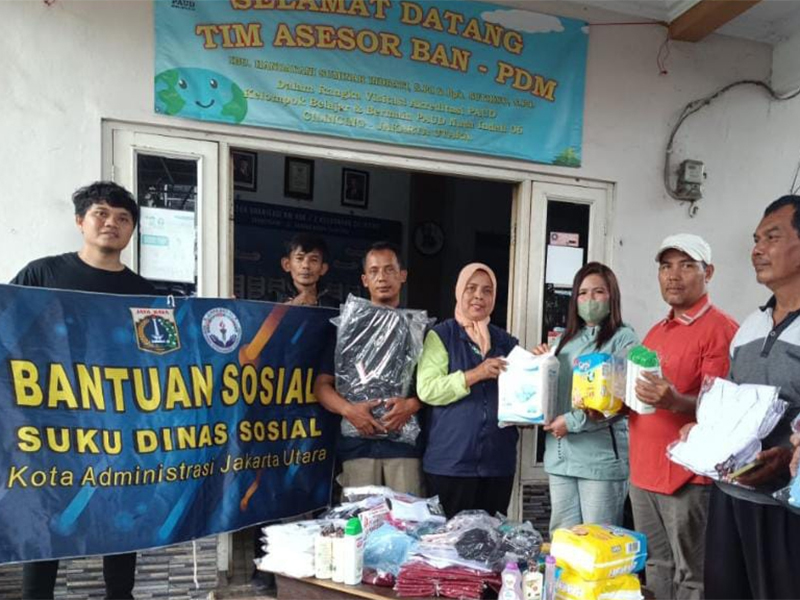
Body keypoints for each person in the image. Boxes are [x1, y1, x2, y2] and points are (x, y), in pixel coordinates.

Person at [10, 181, 155, 600]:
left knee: (119, 509)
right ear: (80, 221)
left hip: (117, 420)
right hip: (51, 418)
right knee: (45, 511)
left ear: (132, 232)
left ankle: (119, 595)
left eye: (123, 218)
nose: (112, 223)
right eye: (101, 214)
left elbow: (161, 359)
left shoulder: (143, 293)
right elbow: (10, 331)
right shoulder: (42, 274)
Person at [627, 233, 737, 600]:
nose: (673, 275)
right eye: (665, 266)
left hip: (687, 479)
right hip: (644, 473)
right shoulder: (657, 330)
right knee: (656, 567)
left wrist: (675, 400)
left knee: (693, 577)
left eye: (686, 265)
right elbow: (640, 395)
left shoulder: (720, 330)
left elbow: (724, 407)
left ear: (709, 273)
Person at [703, 196, 800, 598]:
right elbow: (730, 406)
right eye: (756, 239)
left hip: (786, 510)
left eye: (772, 237)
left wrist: (785, 452)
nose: (757, 250)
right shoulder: (749, 326)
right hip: (729, 496)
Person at [532, 262, 638, 532]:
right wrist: (539, 365)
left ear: (612, 296)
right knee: (564, 541)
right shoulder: (563, 342)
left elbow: (617, 403)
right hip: (560, 458)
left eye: (598, 292)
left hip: (600, 462)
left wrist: (572, 422)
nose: (589, 300)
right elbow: (552, 393)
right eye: (582, 293)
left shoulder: (624, 339)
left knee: (598, 542)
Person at [313, 242, 423, 495]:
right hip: (357, 446)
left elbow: (433, 386)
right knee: (359, 526)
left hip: (404, 448)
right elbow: (321, 386)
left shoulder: (418, 329)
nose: (381, 278)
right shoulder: (345, 329)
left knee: (408, 525)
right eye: (374, 271)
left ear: (402, 275)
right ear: (364, 279)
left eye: (389, 270)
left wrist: (411, 406)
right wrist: (350, 411)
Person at [416, 263, 517, 518]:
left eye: (487, 291)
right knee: (447, 546)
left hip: (497, 463)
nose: (478, 297)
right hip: (451, 463)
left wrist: (542, 363)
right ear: (459, 292)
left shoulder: (506, 342)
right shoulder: (441, 336)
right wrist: (476, 374)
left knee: (490, 544)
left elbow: (523, 396)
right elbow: (427, 389)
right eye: (471, 289)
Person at [272, 233, 337, 307]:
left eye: (313, 260)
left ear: (323, 268)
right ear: (287, 264)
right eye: (299, 258)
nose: (306, 265)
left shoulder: (335, 306)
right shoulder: (271, 300)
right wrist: (293, 305)